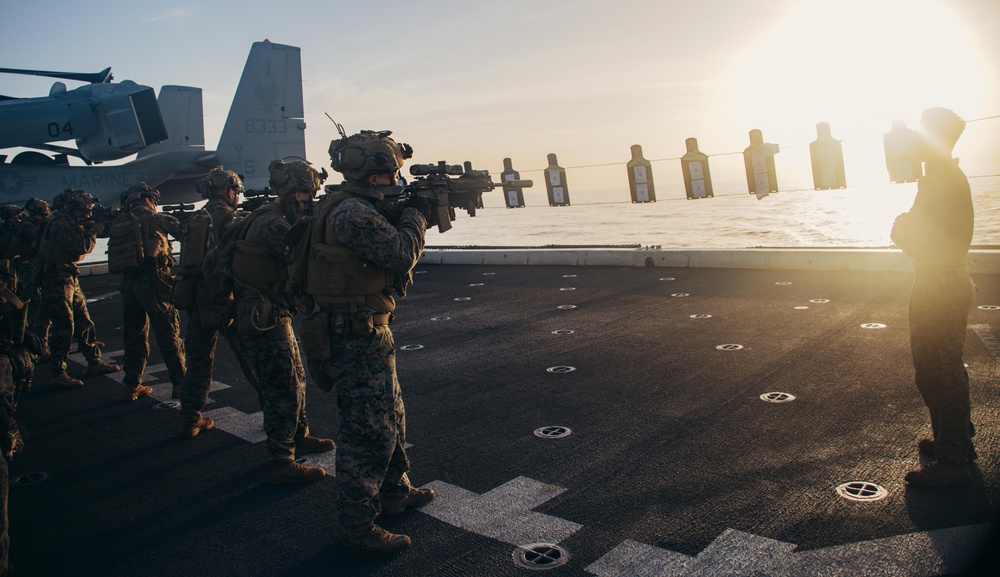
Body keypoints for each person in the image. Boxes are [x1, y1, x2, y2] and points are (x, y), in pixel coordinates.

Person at [314, 130, 434, 555]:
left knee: (392, 417)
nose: (391, 180)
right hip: (354, 335)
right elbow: (401, 254)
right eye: (387, 174)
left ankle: (394, 492)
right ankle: (357, 526)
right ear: (374, 172)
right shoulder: (351, 213)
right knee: (368, 432)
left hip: (367, 330)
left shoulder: (355, 206)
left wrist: (406, 210)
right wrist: (416, 215)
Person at [227, 159, 334, 484]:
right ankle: (281, 459)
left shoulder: (264, 216)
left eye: (308, 195)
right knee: (283, 388)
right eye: (302, 194)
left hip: (270, 312)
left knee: (295, 378)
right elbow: (307, 254)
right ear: (289, 193)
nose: (306, 200)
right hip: (264, 317)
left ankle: (298, 436)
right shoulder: (273, 224)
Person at [891, 107, 977, 487]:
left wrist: (900, 228)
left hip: (939, 285)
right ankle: (954, 437)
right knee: (939, 369)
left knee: (937, 371)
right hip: (943, 280)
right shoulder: (941, 178)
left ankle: (955, 460)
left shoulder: (941, 182)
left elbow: (913, 236)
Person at [178, 167, 255, 438]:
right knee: (253, 360)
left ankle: (190, 418)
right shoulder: (231, 218)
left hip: (196, 298)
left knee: (198, 361)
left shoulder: (197, 217)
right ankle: (282, 423)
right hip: (224, 299)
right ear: (230, 191)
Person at [35, 189, 119, 388]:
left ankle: (93, 361)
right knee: (64, 325)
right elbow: (80, 247)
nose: (87, 214)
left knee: (83, 320)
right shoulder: (61, 224)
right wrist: (94, 230)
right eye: (83, 211)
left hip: (67, 275)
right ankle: (58, 372)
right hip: (57, 278)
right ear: (73, 208)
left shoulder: (62, 220)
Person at [116, 183, 186, 402]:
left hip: (129, 285)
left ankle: (132, 383)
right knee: (168, 334)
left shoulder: (122, 221)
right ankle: (180, 383)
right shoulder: (156, 218)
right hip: (155, 284)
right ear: (147, 200)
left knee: (134, 334)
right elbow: (186, 233)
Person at [12, 199, 52, 361]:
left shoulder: (26, 224)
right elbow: (38, 240)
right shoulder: (27, 226)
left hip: (31, 270)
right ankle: (37, 348)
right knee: (37, 310)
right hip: (30, 272)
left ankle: (39, 346)